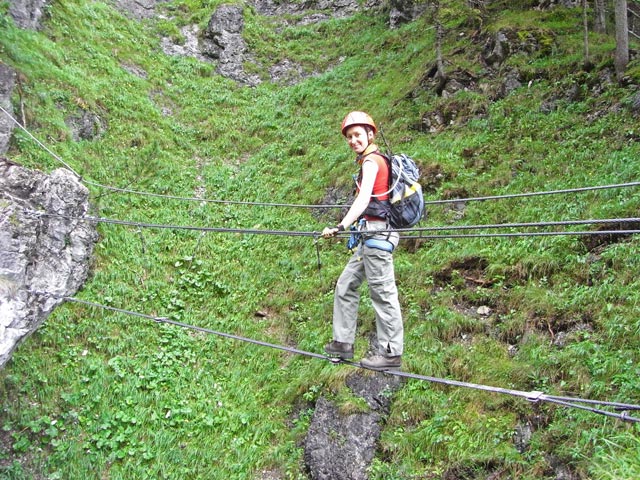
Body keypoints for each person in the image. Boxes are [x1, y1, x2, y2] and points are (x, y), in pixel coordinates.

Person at [321, 111, 403, 370]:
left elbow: (364, 198)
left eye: (357, 135)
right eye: (349, 137)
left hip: (377, 236)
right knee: (345, 285)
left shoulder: (371, 162)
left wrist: (341, 225)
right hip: (369, 237)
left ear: (370, 134)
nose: (353, 140)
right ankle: (342, 344)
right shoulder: (373, 160)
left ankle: (391, 353)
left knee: (382, 293)